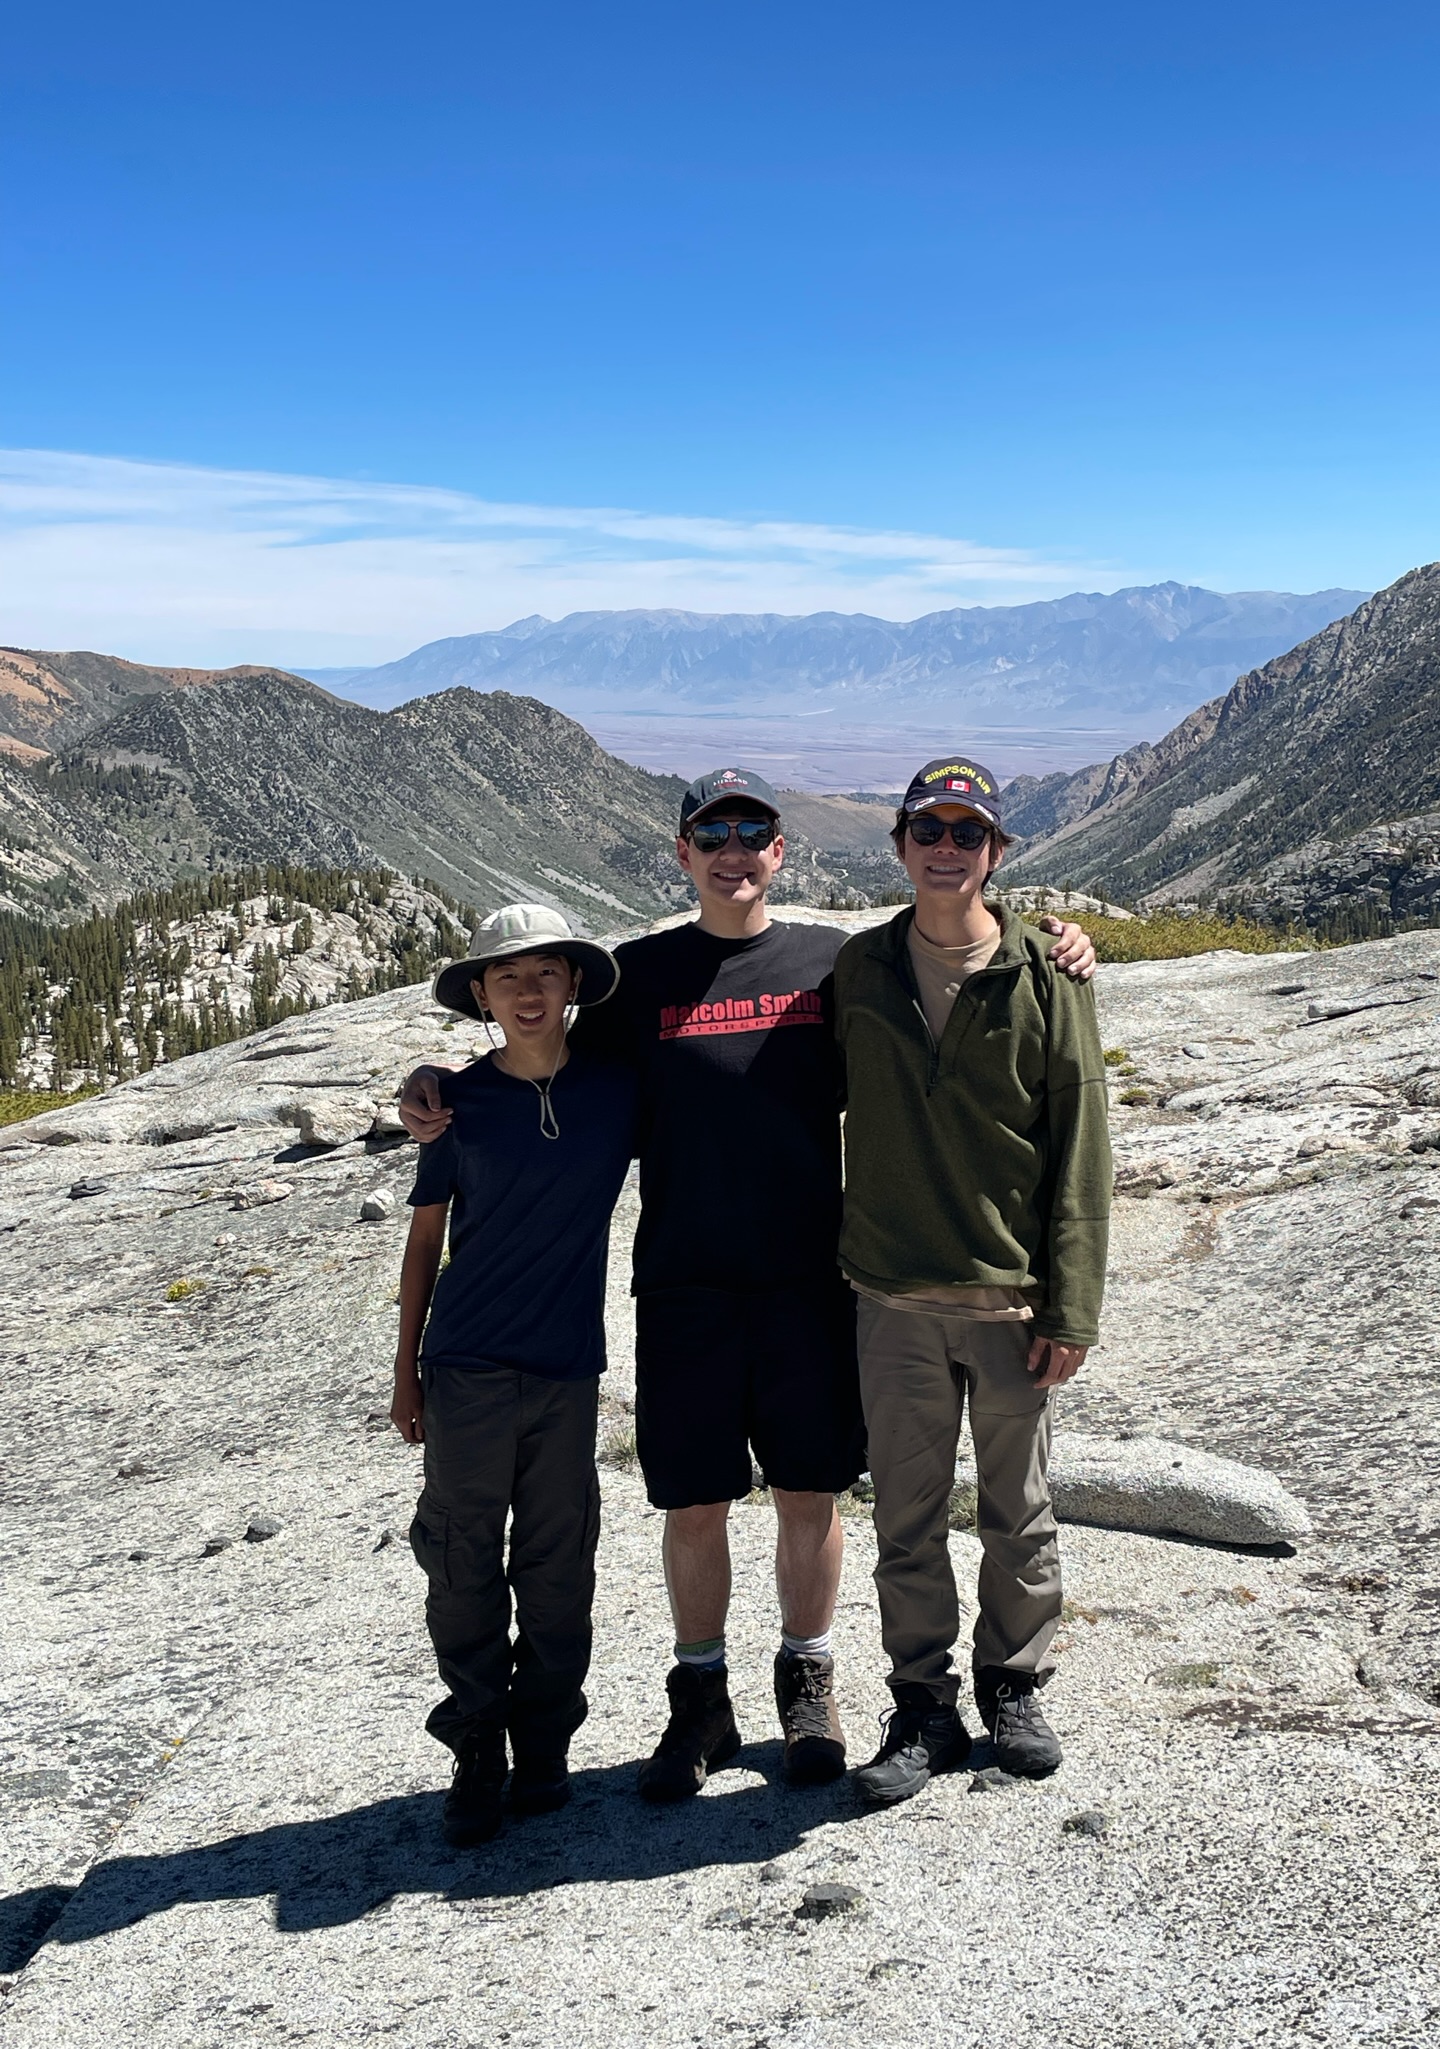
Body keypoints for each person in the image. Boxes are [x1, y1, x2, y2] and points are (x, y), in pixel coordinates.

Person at [398, 768, 1099, 1801]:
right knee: (695, 1502)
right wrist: (435, 1087)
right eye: (712, 833)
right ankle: (701, 1699)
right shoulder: (637, 980)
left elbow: (953, 996)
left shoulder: (835, 963)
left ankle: (808, 1681)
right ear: (683, 853)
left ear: (780, 851)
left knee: (811, 1493)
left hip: (812, 1280)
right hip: (684, 1284)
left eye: (752, 832)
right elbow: (540, 1054)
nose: (733, 850)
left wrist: (1059, 943)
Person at [832, 757, 1112, 1808]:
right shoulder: (860, 969)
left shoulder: (1049, 973)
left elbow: (1081, 1143)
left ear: (997, 852)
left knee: (1019, 1511)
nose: (946, 848)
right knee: (904, 1518)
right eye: (929, 830)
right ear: (900, 845)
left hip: (1010, 1302)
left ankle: (1014, 1684)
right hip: (893, 1298)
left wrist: (1073, 1305)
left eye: (967, 832)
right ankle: (921, 1704)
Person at [392, 904, 636, 1847]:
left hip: (568, 1370)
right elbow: (425, 1243)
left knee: (558, 1565)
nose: (528, 991)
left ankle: (542, 1745)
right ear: (481, 996)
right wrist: (405, 1371)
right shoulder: (455, 1104)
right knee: (461, 1563)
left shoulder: (616, 1088)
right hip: (467, 1367)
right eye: (507, 976)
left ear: (572, 984)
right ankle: (476, 1749)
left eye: (545, 972)